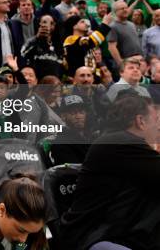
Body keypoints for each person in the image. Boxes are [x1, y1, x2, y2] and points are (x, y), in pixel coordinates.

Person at [60, 94, 160, 249]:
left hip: (114, 233)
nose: (158, 127)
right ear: (140, 121)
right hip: (94, 238)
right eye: (156, 120)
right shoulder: (120, 143)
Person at [107, 0, 144, 68]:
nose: (125, 10)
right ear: (116, 12)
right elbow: (111, 47)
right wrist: (121, 63)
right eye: (122, 8)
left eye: (126, 8)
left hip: (138, 61)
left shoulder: (132, 24)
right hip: (126, 64)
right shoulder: (113, 26)